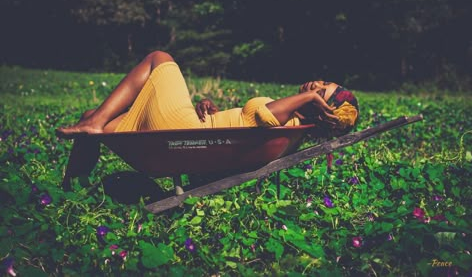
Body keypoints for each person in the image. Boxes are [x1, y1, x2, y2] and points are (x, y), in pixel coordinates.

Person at [57, 51, 359, 189]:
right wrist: (209, 109)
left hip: (178, 130)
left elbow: (263, 117)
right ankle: (71, 186)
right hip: (191, 127)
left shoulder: (288, 121)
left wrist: (309, 98)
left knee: (159, 58)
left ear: (323, 108)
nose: (315, 85)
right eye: (321, 84)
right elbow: (242, 123)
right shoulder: (289, 118)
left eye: (322, 92)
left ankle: (94, 126)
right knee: (91, 117)